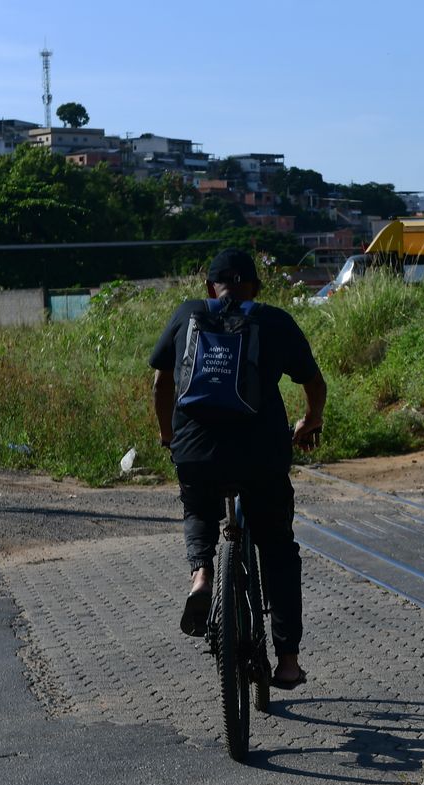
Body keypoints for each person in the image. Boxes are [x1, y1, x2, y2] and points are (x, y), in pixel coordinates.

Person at [149, 248, 326, 690]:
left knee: (198, 507)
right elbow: (314, 383)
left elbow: (161, 382)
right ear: (256, 288)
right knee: (278, 549)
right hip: (261, 455)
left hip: (196, 450)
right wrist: (310, 422)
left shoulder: (188, 314)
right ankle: (288, 662)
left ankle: (201, 574)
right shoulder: (274, 321)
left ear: (210, 288)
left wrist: (169, 437)